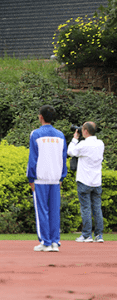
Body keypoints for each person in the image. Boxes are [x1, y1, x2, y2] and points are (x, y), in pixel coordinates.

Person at [28, 104, 68, 252]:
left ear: (41, 117)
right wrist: (62, 177)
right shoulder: (60, 135)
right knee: (54, 210)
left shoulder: (36, 134)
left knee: (42, 210)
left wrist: (30, 178)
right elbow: (64, 158)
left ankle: (45, 241)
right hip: (55, 177)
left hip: (41, 177)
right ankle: (54, 242)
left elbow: (33, 158)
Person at [67, 122, 105, 243]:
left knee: (86, 208)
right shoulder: (100, 143)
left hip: (84, 180)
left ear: (85, 131)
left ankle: (87, 235)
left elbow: (71, 152)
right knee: (97, 208)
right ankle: (99, 235)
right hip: (97, 181)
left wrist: (75, 138)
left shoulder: (83, 144)